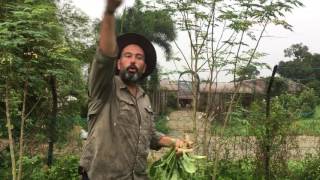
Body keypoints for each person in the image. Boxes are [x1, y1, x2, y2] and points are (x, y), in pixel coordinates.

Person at [79, 0, 188, 179]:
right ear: (118, 62)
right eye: (127, 56)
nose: (133, 61)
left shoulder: (144, 98)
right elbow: (104, 57)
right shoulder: (105, 87)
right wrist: (109, 12)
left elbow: (151, 136)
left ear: (144, 67)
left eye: (138, 58)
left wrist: (175, 142)